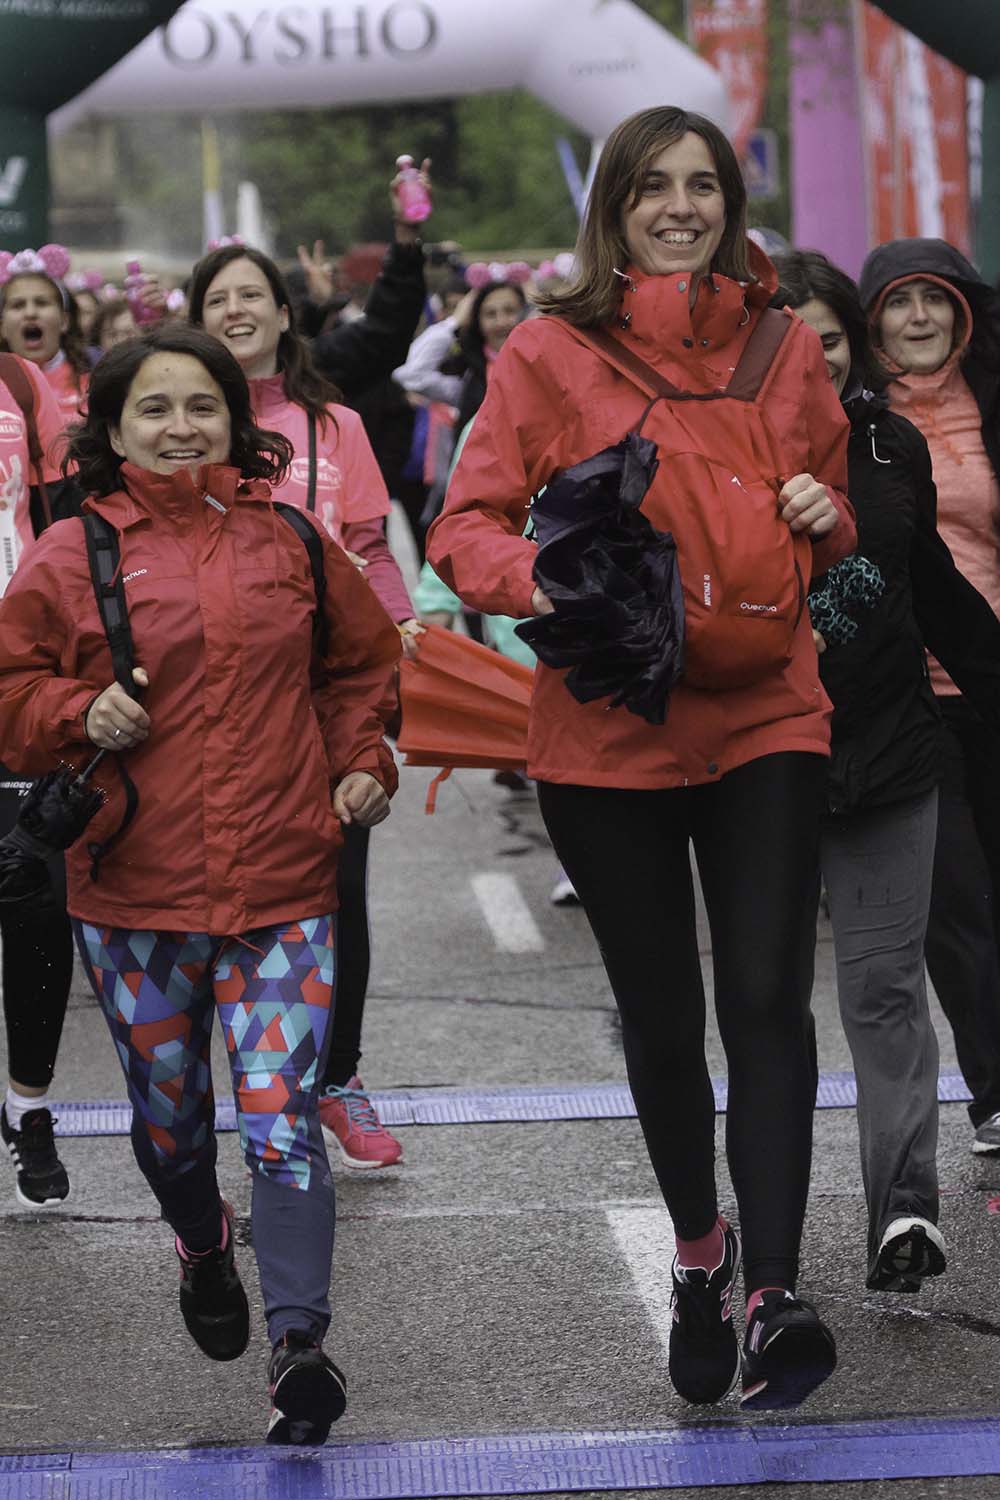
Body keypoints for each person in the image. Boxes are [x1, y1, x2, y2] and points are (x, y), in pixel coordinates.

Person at [428, 105, 856, 1411]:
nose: (682, 207)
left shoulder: (787, 349)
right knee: (666, 1023)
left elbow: (843, 549)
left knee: (770, 1002)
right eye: (654, 188)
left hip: (768, 711)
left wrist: (824, 520)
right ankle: (698, 1254)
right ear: (611, 209)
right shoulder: (551, 350)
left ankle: (776, 1291)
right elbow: (463, 523)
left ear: (731, 204)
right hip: (605, 727)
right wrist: (548, 583)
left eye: (704, 186)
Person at [0, 325, 401, 1443]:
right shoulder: (66, 553)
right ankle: (199, 1242)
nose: (181, 428)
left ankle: (298, 1345)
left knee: (280, 1122)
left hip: (283, 883)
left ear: (236, 419)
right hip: (132, 894)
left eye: (202, 407)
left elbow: (361, 665)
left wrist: (362, 762)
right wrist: (73, 713)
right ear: (113, 431)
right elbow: (8, 692)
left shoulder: (294, 541)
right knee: (171, 1126)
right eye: (154, 410)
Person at [775, 249, 1000, 1292]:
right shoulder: (700, 450)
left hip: (890, 754)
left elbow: (939, 593)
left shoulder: (888, 443)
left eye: (825, 339)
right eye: (786, 340)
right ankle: (756, 1251)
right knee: (762, 1004)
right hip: (756, 768)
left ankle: (903, 1209)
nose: (807, 359)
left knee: (881, 990)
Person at [188, 243, 418, 1169]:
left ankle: (336, 1081)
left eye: (254, 295)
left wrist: (400, 630)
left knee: (336, 891)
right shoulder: (178, 425)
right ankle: (250, 1088)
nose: (237, 309)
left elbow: (369, 541)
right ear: (195, 321)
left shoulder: (336, 425)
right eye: (218, 298)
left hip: (325, 694)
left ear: (287, 314)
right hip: (204, 699)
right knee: (212, 903)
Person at [859, 239, 1000, 1155]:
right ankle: (995, 1091)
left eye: (934, 301)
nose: (919, 318)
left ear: (962, 313)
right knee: (959, 900)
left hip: (996, 682)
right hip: (911, 693)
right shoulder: (856, 423)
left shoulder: (990, 404)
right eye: (899, 303)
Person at [0, 352, 77, 1208]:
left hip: (14, 668)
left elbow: (61, 515)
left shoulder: (20, 383)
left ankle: (30, 1105)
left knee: (36, 898)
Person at [0, 248, 89, 418]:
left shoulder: (94, 384)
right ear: (3, 327)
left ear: (64, 321)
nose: (30, 313)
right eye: (18, 305)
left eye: (41, 303)